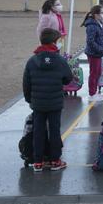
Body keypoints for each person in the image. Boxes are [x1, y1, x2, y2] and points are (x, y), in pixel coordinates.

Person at [23, 28, 73, 172]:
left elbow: (26, 83)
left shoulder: (32, 61)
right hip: (55, 102)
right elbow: (68, 78)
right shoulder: (60, 60)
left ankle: (38, 161)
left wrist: (29, 99)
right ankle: (55, 160)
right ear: (54, 42)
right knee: (55, 130)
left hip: (38, 103)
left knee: (38, 130)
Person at [82, 5, 103, 100]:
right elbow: (90, 41)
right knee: (94, 73)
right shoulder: (92, 26)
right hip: (94, 54)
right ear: (96, 15)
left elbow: (102, 38)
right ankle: (92, 93)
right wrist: (100, 49)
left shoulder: (100, 24)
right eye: (102, 12)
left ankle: (95, 91)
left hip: (99, 53)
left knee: (98, 72)